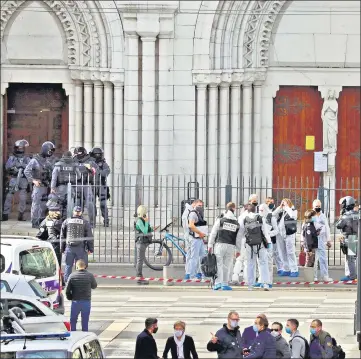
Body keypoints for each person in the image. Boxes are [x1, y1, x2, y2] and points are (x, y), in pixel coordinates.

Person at [208, 202, 242, 291]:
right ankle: (225, 284)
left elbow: (213, 233)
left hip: (220, 244)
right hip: (231, 246)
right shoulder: (236, 223)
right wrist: (238, 250)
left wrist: (210, 244)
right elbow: (238, 238)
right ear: (234, 209)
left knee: (219, 264)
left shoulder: (220, 220)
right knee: (227, 265)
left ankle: (218, 283)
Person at [239, 204, 272, 291]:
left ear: (247, 211)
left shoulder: (244, 219)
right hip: (260, 244)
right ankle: (265, 283)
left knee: (250, 264)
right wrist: (268, 243)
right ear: (255, 210)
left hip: (249, 245)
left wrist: (239, 245)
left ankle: (250, 285)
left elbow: (241, 234)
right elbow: (265, 232)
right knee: (263, 263)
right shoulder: (260, 218)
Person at [24, 142, 55, 227]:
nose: (51, 153)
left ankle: (42, 221)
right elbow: (26, 171)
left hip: (46, 185)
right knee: (36, 204)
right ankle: (34, 222)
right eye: (50, 151)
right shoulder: (35, 160)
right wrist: (33, 181)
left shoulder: (47, 161)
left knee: (44, 204)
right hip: (38, 185)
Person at [60, 206, 94, 283]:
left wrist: (62, 249)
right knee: (81, 266)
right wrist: (90, 249)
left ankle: (67, 282)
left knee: (68, 266)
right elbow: (89, 236)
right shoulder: (85, 222)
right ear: (81, 212)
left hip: (69, 247)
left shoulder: (66, 221)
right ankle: (81, 281)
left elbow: (62, 236)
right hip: (80, 247)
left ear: (73, 212)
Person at [2, 139, 31, 222]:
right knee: (9, 196)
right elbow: (7, 167)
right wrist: (15, 165)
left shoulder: (27, 158)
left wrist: (23, 165)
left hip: (23, 179)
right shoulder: (12, 158)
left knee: (23, 197)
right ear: (16, 148)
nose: (20, 150)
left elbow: (30, 167)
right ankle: (5, 214)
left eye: (22, 148)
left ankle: (21, 214)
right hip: (14, 179)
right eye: (19, 148)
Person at [65, 259, 97, 332]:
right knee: (85, 321)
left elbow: (67, 290)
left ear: (76, 267)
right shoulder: (90, 275)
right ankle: (84, 336)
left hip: (75, 301)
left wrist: (70, 297)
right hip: (86, 301)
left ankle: (73, 335)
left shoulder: (72, 276)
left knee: (73, 320)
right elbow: (94, 286)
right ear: (85, 266)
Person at [50, 151, 81, 219]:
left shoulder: (58, 165)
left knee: (60, 203)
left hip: (61, 187)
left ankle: (60, 219)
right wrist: (72, 178)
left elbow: (54, 178)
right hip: (71, 187)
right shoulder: (74, 165)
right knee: (70, 204)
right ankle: (68, 219)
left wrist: (52, 187)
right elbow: (79, 176)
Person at [273, 198, 299, 277]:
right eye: (283, 203)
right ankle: (286, 268)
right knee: (282, 252)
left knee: (290, 252)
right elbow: (273, 215)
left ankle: (294, 269)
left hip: (289, 234)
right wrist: (279, 207)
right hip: (280, 234)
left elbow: (293, 216)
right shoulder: (281, 212)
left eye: (285, 203)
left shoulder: (293, 210)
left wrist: (287, 207)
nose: (284, 204)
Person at [73, 146, 98, 227]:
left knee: (90, 203)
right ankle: (77, 220)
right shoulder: (73, 160)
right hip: (77, 184)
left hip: (87, 184)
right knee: (77, 203)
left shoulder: (90, 160)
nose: (78, 155)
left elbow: (95, 171)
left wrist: (90, 168)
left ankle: (92, 223)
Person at [135, 205, 159, 285]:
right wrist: (146, 221)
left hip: (144, 242)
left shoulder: (142, 220)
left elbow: (147, 229)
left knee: (140, 260)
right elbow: (144, 231)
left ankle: (140, 277)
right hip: (141, 243)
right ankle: (139, 277)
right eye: (145, 212)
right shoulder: (139, 221)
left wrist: (153, 228)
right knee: (140, 260)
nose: (146, 214)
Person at [257, 203, 279, 288]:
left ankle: (269, 281)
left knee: (269, 262)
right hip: (260, 241)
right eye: (259, 210)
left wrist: (269, 234)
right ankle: (261, 280)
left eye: (262, 210)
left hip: (268, 242)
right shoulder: (258, 217)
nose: (260, 212)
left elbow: (277, 230)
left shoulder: (271, 217)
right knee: (260, 261)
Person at [336, 196, 358, 281]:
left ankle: (351, 276)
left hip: (350, 238)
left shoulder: (346, 215)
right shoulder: (357, 214)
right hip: (356, 237)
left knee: (350, 259)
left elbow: (338, 225)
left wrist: (341, 215)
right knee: (355, 258)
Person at [312, 200, 333, 281]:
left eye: (319, 206)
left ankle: (325, 276)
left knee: (323, 258)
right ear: (313, 206)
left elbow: (327, 228)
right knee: (314, 258)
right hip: (313, 239)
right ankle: (314, 276)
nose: (318, 208)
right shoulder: (311, 215)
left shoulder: (323, 216)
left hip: (321, 239)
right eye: (316, 206)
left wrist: (328, 240)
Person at [186, 199, 207, 280]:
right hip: (195, 239)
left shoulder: (199, 214)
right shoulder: (193, 214)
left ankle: (203, 275)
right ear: (194, 205)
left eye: (201, 206)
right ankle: (192, 276)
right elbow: (191, 225)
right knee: (194, 258)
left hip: (199, 238)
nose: (200, 207)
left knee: (203, 257)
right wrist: (200, 233)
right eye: (199, 205)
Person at [89, 147, 110, 227]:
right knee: (92, 204)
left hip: (101, 185)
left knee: (103, 204)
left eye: (99, 154)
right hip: (92, 185)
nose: (98, 155)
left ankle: (106, 220)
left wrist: (98, 171)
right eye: (96, 154)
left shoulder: (103, 163)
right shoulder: (90, 163)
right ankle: (93, 222)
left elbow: (107, 172)